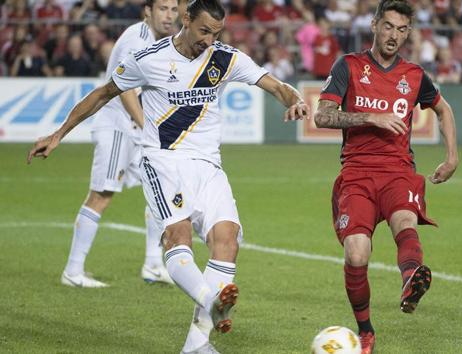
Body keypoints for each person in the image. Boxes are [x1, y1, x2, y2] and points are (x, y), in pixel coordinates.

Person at [28, 1, 309, 353]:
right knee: (178, 237)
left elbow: (276, 84)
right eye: (204, 31)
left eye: (216, 33)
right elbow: (102, 94)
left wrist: (294, 100)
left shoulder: (225, 58)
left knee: (228, 240)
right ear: (186, 19)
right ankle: (211, 300)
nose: (209, 40)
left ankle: (195, 345)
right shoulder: (150, 58)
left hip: (208, 164)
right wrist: (58, 134)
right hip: (163, 161)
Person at [314, 1, 458, 353]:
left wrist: (452, 156)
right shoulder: (349, 65)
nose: (394, 35)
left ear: (408, 33)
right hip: (357, 174)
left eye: (402, 29)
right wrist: (369, 118)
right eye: (389, 26)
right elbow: (322, 116)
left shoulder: (414, 75)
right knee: (357, 253)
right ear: (375, 25)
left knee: (405, 220)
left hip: (397, 171)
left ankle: (411, 279)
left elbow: (443, 108)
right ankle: (365, 330)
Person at [55, 0, 178, 289]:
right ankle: (73, 271)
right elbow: (124, 91)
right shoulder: (137, 39)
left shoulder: (168, 44)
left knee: (160, 190)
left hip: (138, 129)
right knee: (102, 195)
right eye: (163, 9)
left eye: (174, 10)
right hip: (118, 126)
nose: (169, 15)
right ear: (148, 11)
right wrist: (151, 128)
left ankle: (153, 264)